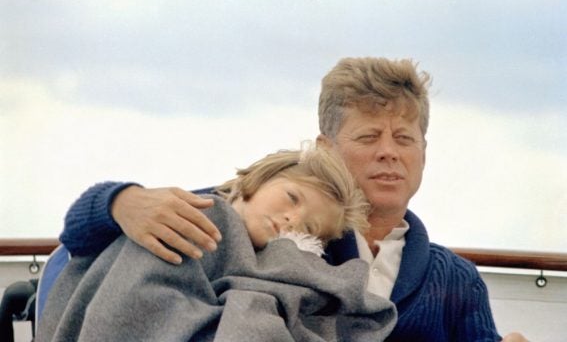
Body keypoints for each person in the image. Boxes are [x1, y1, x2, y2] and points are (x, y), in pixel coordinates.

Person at [55, 57, 527, 341]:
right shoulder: (262, 219)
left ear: (424, 153)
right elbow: (79, 234)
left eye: (405, 138)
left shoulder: (457, 281)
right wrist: (122, 201)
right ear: (325, 150)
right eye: (368, 136)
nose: (389, 152)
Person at [37, 147, 397, 342]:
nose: (292, 219)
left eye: (308, 228)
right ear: (259, 179)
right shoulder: (192, 213)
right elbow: (82, 243)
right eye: (291, 197)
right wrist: (118, 200)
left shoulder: (286, 266)